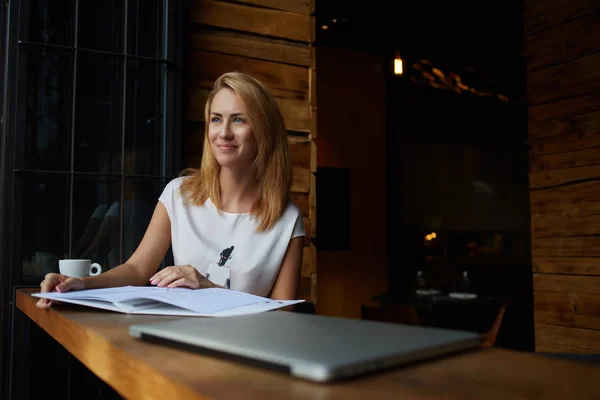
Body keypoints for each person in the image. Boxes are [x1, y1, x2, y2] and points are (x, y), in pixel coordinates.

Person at [37, 71, 306, 308]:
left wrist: (210, 288)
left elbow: (283, 313)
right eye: (215, 119)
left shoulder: (287, 218)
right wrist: (77, 284)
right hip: (181, 343)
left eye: (238, 120)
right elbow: (136, 269)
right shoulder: (179, 195)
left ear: (263, 131)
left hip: (248, 355)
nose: (223, 133)